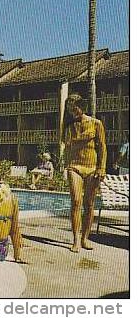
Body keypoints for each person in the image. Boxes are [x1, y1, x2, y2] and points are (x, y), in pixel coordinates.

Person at [63, 93, 106, 253]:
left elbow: (102, 147)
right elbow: (66, 147)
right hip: (74, 167)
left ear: (81, 107)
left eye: (73, 108)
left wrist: (102, 168)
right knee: (75, 201)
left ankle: (85, 238)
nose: (72, 112)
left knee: (89, 204)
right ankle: (75, 240)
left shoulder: (96, 124)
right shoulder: (69, 126)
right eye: (69, 110)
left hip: (92, 168)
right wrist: (66, 164)